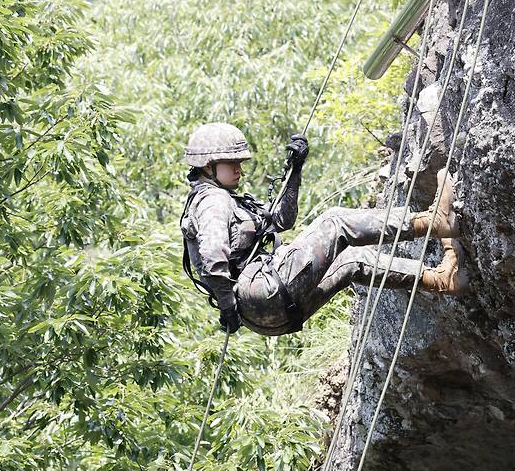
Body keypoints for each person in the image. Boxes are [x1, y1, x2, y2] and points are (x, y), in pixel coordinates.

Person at [180, 122, 467, 337]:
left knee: (353, 262)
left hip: (267, 316)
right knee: (335, 222)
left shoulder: (227, 199)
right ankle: (433, 223)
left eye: (240, 162)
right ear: (208, 166)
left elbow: (282, 220)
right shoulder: (211, 200)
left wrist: (295, 170)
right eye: (232, 163)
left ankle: (443, 279)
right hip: (259, 292)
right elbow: (212, 257)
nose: (239, 169)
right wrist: (227, 306)